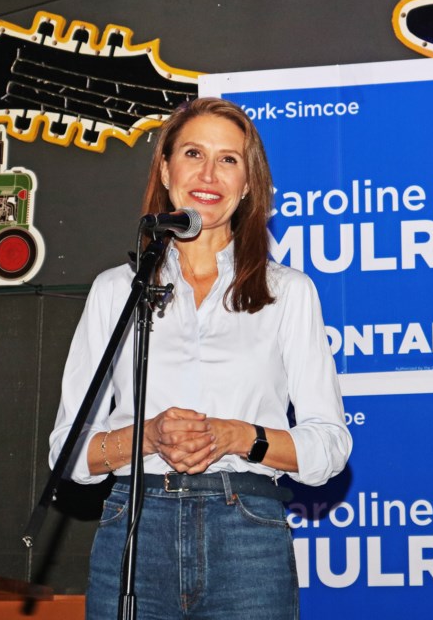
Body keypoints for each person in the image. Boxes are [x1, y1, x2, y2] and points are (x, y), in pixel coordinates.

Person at [49, 97, 352, 620]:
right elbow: (68, 453)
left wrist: (239, 437)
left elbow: (329, 446)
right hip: (133, 526)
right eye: (193, 153)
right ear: (166, 170)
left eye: (229, 159)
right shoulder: (115, 290)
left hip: (248, 530)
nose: (208, 173)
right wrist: (147, 436)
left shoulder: (289, 292)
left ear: (248, 184)